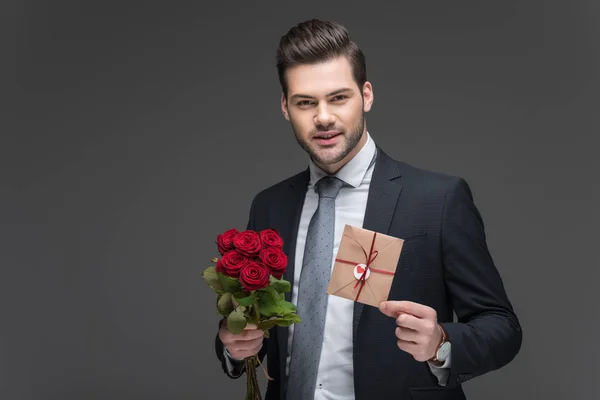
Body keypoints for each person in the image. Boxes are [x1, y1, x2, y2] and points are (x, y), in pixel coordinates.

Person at [214, 19, 522, 400]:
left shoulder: (437, 199)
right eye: (305, 102)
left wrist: (442, 342)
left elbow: (502, 326)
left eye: (338, 98)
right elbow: (255, 324)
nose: (323, 117)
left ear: (367, 96)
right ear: (285, 107)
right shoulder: (270, 206)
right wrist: (233, 346)